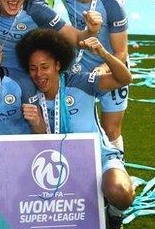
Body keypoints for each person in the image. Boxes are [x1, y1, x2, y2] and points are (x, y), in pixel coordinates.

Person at [15, 29, 134, 229]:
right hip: (58, 165)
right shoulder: (30, 94)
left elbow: (124, 79)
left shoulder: (79, 82)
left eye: (45, 67)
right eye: (33, 68)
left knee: (120, 191)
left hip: (99, 158)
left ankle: (114, 214)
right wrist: (37, 124)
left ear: (58, 65)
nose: (38, 74)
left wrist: (103, 54)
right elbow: (44, 140)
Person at [61, 0, 129, 152]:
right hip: (79, 70)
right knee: (75, 125)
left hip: (109, 68)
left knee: (111, 130)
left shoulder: (111, 4)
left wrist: (102, 69)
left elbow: (121, 52)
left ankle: (119, 168)